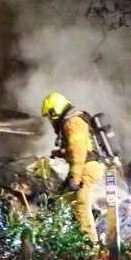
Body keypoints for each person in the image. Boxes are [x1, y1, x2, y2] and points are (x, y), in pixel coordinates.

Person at [41, 91, 105, 247]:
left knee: (80, 204)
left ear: (54, 111)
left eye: (49, 116)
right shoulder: (73, 120)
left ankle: (90, 247)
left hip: (87, 168)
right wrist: (60, 153)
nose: (50, 120)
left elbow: (79, 154)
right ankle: (70, 239)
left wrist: (75, 180)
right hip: (85, 166)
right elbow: (75, 148)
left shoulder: (72, 123)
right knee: (64, 199)